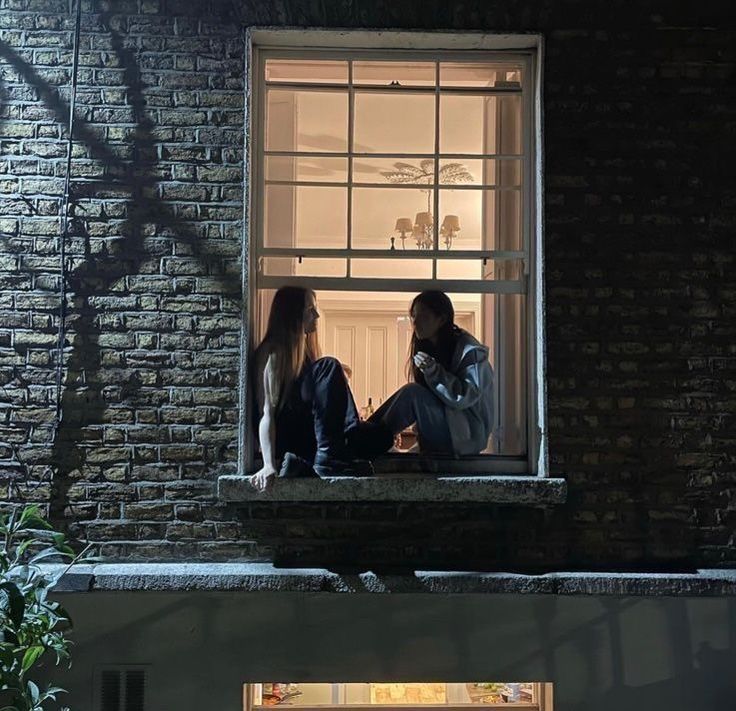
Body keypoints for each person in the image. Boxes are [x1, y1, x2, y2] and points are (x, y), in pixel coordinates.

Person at [249, 286, 392, 490]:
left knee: (382, 438)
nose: (316, 315)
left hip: (306, 435)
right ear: (293, 314)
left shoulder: (304, 354)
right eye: (310, 309)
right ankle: (330, 457)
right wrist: (268, 464)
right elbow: (266, 413)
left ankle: (328, 453)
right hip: (285, 433)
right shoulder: (273, 351)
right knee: (329, 365)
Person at [370, 290, 494, 456]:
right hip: (448, 432)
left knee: (412, 392)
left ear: (441, 319)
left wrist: (434, 372)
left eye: (423, 316)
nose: (415, 322)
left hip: (464, 437)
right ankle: (366, 433)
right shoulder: (430, 349)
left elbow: (464, 398)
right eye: (413, 316)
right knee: (412, 391)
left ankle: (366, 437)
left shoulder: (470, 352)